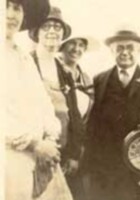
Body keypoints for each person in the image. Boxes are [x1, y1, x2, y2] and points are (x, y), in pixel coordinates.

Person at [85, 29, 140, 200]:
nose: (125, 52)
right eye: (119, 48)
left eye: (130, 48)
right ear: (112, 51)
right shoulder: (99, 80)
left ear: (139, 50)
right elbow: (92, 119)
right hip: (106, 164)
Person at [4, 1, 64, 200]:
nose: (12, 15)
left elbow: (43, 102)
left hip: (32, 161)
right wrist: (34, 143)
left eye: (18, 8)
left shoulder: (24, 58)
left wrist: (50, 139)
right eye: (6, 6)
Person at [29, 6, 71, 151]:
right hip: (34, 146)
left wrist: (74, 154)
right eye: (46, 27)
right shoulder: (26, 63)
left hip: (62, 147)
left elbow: (74, 113)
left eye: (58, 27)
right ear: (37, 33)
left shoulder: (65, 71)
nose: (52, 31)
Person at [58, 35, 95, 200]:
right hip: (59, 146)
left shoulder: (86, 78)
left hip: (79, 150)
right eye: (72, 43)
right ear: (62, 45)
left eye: (81, 45)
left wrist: (78, 152)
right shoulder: (53, 71)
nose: (76, 48)